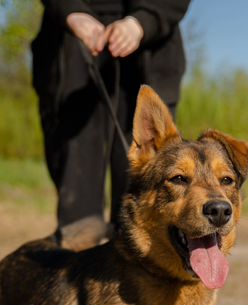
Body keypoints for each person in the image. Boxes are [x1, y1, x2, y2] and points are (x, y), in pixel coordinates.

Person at [32, 0, 190, 249]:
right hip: (70, 50)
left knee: (144, 199)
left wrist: (142, 22)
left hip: (152, 53)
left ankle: (139, 283)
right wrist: (71, 11)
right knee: (78, 212)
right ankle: (77, 278)